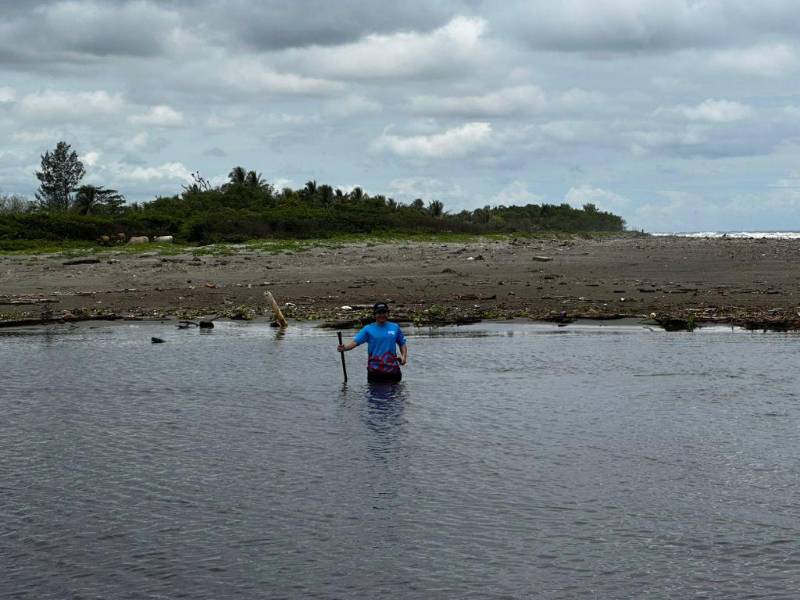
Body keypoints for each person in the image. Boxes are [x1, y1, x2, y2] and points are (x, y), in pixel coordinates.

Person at [338, 302, 408, 382]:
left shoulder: (395, 327)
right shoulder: (368, 329)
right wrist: (344, 348)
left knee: (396, 390)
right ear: (374, 314)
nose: (382, 315)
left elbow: (402, 344)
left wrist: (403, 357)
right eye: (379, 312)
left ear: (388, 313)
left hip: (393, 371)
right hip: (374, 372)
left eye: (384, 312)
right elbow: (355, 342)